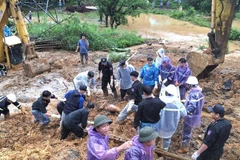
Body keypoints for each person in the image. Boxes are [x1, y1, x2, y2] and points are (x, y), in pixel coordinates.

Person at [177, 76, 204, 154]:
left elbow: (192, 106)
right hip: (195, 115)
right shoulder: (199, 93)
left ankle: (184, 147)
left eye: (188, 84)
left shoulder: (193, 94)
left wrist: (185, 112)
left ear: (191, 85)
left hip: (190, 116)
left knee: (186, 131)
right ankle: (185, 144)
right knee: (189, 130)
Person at [158, 84, 187, 151]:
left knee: (156, 135)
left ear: (166, 92)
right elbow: (184, 114)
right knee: (167, 138)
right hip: (171, 125)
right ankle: (165, 151)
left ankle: (153, 149)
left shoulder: (161, 100)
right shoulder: (177, 103)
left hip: (160, 124)